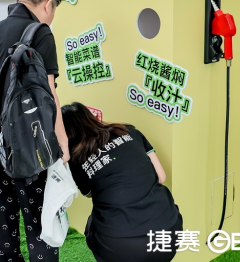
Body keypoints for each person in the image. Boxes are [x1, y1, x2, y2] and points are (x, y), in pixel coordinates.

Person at [0, 0, 69, 262]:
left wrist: (1, 129)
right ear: (47, 4)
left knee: (4, 216)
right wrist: (62, 142)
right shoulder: (41, 33)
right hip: (34, 146)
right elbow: (49, 94)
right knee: (40, 220)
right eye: (54, 10)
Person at [60, 102, 183, 262]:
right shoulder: (128, 131)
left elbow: (90, 193)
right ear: (90, 117)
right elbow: (161, 177)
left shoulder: (76, 159)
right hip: (169, 233)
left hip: (119, 249)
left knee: (92, 223)